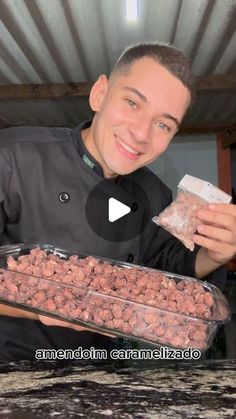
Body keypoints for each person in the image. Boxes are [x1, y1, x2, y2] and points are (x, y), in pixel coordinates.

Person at [0, 43, 235, 360]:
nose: (140, 134)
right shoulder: (12, 157)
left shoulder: (155, 194)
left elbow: (169, 272)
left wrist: (214, 254)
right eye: (132, 103)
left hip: (97, 371)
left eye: (163, 124)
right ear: (99, 94)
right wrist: (37, 309)